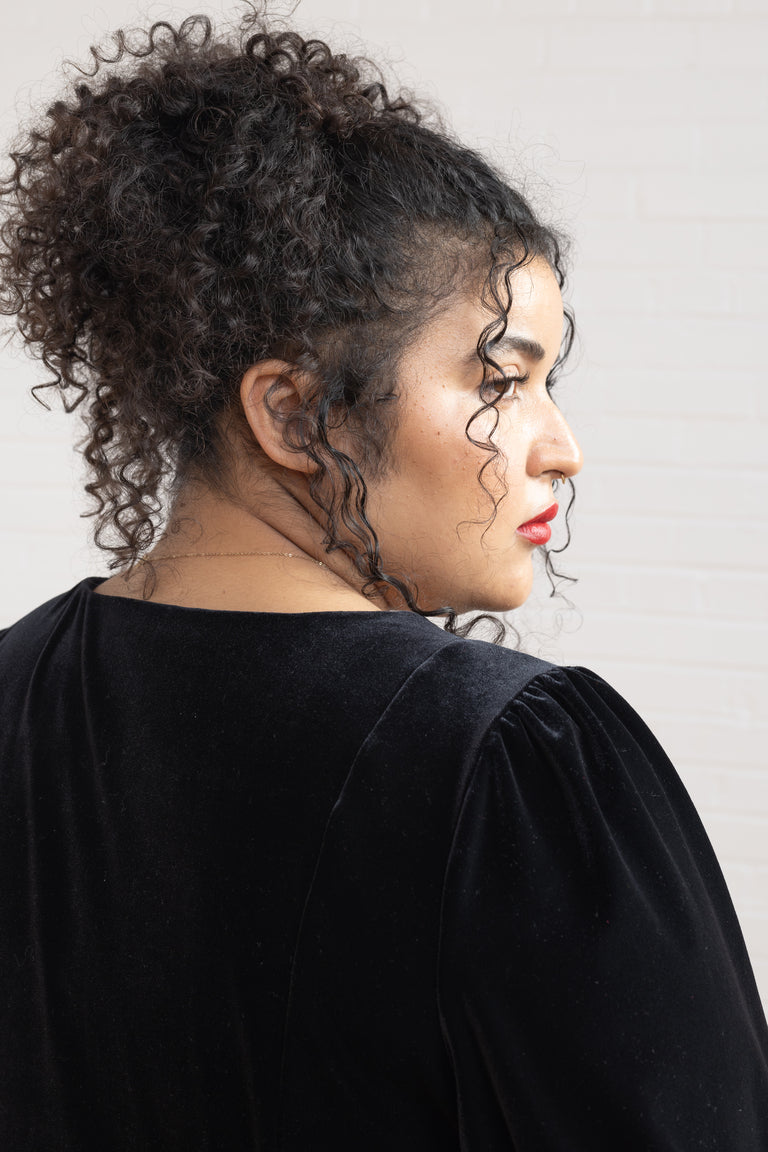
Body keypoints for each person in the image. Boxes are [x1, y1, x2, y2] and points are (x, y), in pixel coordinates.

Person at [0, 7, 766, 1150]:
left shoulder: (16, 687)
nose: (561, 447)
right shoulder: (509, 759)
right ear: (297, 412)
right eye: (499, 382)